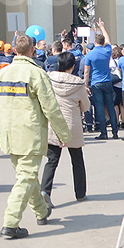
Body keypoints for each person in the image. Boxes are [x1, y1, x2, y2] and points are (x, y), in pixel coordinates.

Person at [0, 36, 72, 240]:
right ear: (32, 51)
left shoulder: (1, 74)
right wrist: (64, 134)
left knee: (27, 175)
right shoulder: (37, 74)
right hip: (30, 134)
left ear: (15, 50)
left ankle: (42, 211)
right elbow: (51, 108)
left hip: (9, 134)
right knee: (26, 177)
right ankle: (10, 222)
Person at [40, 51, 88, 201]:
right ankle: (80, 193)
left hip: (54, 123)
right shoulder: (78, 83)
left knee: (52, 160)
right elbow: (85, 106)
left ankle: (45, 191)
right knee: (77, 160)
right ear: (73, 66)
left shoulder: (48, 78)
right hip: (72, 124)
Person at [83, 18, 117, 140]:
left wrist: (86, 85)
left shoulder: (90, 54)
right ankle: (115, 131)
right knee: (110, 106)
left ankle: (103, 132)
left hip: (96, 82)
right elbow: (108, 40)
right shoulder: (107, 51)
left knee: (99, 107)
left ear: (94, 42)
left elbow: (86, 71)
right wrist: (102, 27)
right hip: (107, 81)